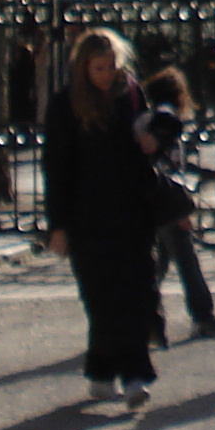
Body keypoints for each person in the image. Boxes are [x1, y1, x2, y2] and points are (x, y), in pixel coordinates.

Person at [42, 28, 167, 407]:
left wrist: (152, 144)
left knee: (136, 294)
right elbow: (56, 168)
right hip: (87, 219)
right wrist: (58, 225)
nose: (107, 74)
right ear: (83, 68)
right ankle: (119, 373)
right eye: (99, 67)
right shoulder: (65, 106)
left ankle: (115, 373)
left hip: (131, 213)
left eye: (112, 66)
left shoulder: (130, 95)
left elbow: (147, 145)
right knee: (103, 299)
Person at [141, 64, 215, 342]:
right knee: (186, 261)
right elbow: (165, 166)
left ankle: (139, 317)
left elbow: (177, 163)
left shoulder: (155, 120)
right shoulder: (163, 123)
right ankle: (203, 316)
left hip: (159, 203)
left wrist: (211, 174)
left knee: (159, 266)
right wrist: (177, 209)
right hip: (164, 203)